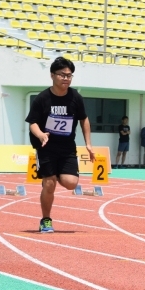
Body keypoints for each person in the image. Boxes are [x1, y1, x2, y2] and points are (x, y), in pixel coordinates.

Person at [25, 56, 96, 234]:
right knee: (50, 184)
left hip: (66, 148)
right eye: (62, 75)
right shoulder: (42, 98)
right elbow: (32, 122)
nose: (66, 78)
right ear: (52, 76)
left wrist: (88, 143)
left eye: (69, 75)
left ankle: (51, 176)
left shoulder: (75, 97)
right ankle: (46, 220)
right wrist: (41, 135)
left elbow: (84, 119)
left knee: (71, 183)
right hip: (46, 147)